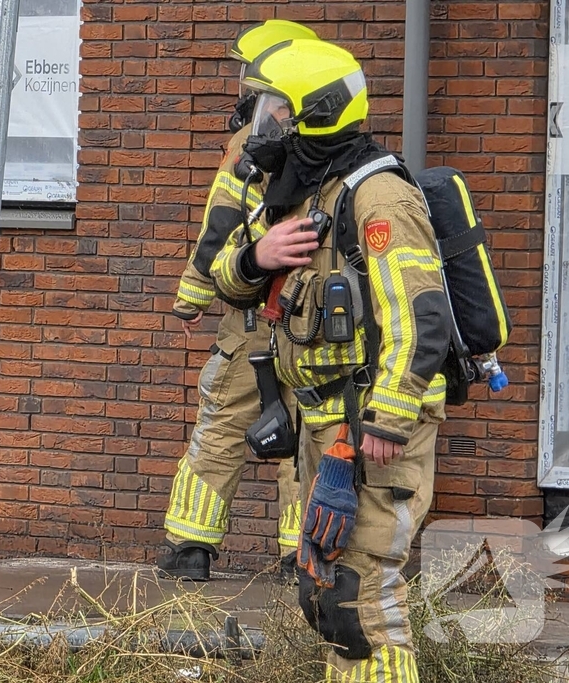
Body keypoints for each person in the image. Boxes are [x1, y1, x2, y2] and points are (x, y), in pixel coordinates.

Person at [210, 38, 451, 682]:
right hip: (322, 432)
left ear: (316, 114)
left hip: (372, 432)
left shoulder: (378, 201)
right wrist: (257, 258)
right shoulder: (297, 194)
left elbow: (419, 318)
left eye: (274, 113)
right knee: (324, 596)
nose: (261, 127)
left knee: (362, 604)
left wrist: (387, 422)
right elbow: (223, 282)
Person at [159, 19, 319, 583]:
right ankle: (299, 556)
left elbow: (220, 225)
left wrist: (190, 296)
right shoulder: (330, 145)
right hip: (313, 320)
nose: (244, 89)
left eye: (249, 79)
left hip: (253, 317)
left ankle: (189, 548)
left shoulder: (251, 148)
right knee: (309, 434)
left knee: (224, 421)